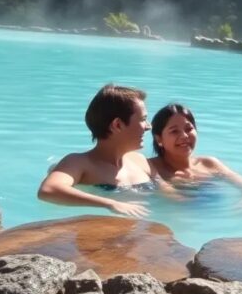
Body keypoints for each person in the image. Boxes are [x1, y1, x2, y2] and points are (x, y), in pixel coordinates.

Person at [37, 84, 157, 217]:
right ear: (117, 125)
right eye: (143, 119)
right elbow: (48, 190)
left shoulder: (138, 161)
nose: (149, 127)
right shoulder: (79, 163)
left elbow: (169, 192)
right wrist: (110, 204)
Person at [147, 103, 242, 208]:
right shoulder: (151, 168)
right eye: (174, 131)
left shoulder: (209, 163)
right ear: (159, 139)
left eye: (189, 129)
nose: (184, 135)